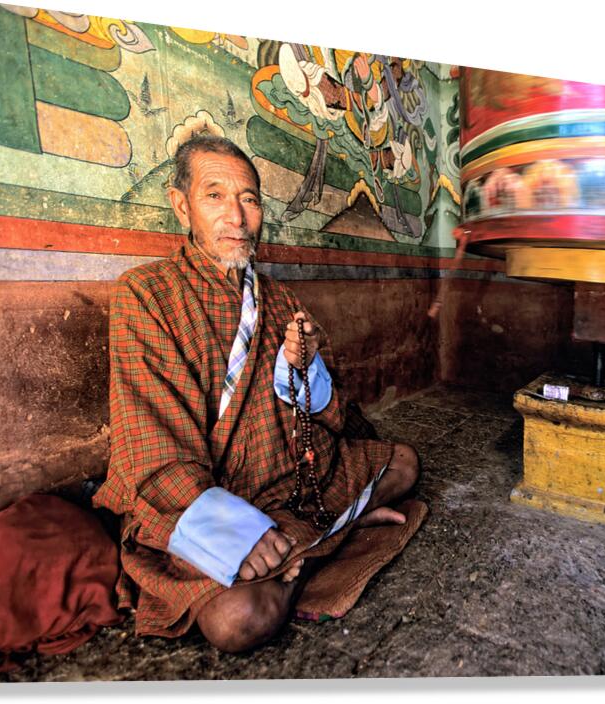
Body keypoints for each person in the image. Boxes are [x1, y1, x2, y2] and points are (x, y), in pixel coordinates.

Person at [92, 134, 421, 653]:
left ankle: (309, 540)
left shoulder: (280, 299)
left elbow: (326, 418)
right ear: (183, 206)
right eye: (215, 196)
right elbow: (151, 445)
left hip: (284, 482)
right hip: (198, 497)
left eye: (248, 199)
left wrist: (305, 363)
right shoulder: (146, 294)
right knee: (238, 619)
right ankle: (328, 536)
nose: (237, 217)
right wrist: (231, 534)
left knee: (403, 462)